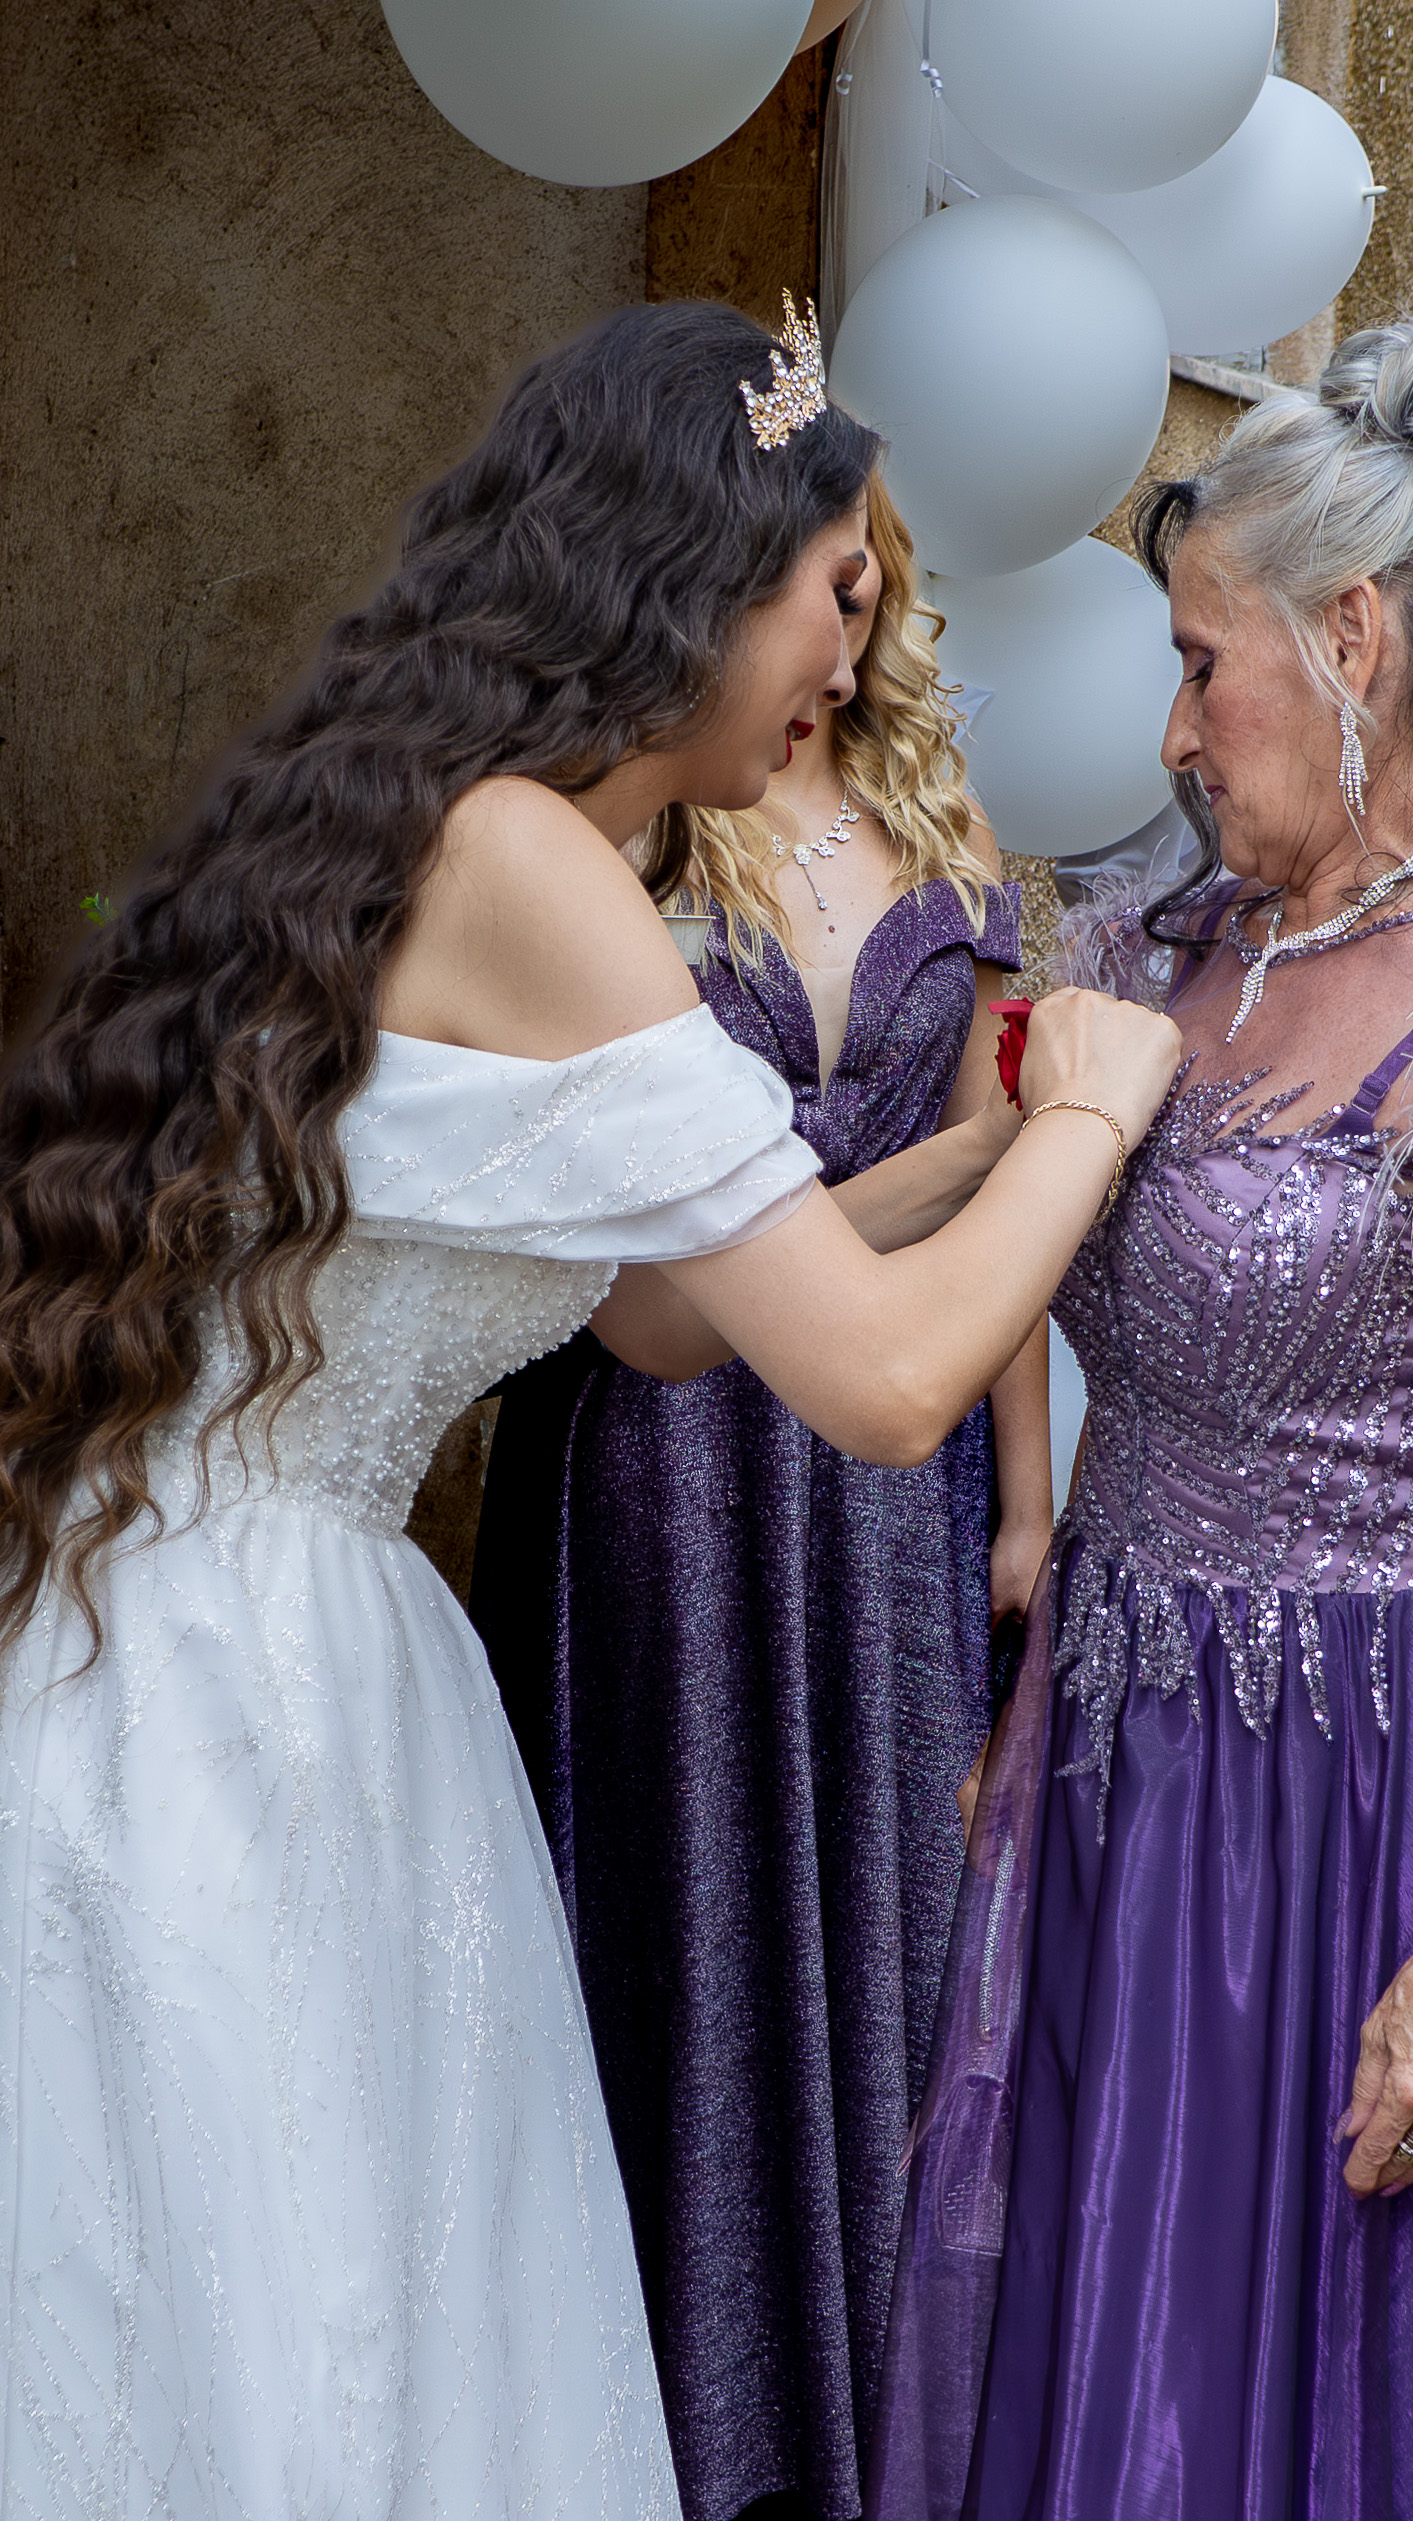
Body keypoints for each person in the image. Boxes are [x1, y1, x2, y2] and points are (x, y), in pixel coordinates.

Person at [0, 297, 1180, 2517]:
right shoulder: (543, 866)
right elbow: (886, 1386)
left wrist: (949, 1161)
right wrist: (1087, 1122)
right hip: (254, 1680)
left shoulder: (456, 823)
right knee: (288, 2317)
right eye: (832, 592)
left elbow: (651, 1314)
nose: (848, 654)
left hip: (206, 1618)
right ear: (691, 583)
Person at [866, 295, 1413, 2521]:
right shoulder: (1162, 957)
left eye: (1202, 663)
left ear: (1351, 638)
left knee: (1352, 2389)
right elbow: (1028, 1298)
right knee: (1121, 2338)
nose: (1172, 732)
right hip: (1126, 1777)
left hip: (1377, 1799)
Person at [469, 469, 1052, 2521]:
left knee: (894, 1924)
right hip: (660, 1469)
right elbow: (623, 1254)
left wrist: (1024, 1505)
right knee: (682, 1918)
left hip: (893, 1481)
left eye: (870, 582)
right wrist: (976, 1166)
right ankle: (678, 2425)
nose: (847, 621)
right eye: (820, 582)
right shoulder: (623, 833)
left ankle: (871, 2420)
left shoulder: (951, 832)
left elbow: (1005, 1210)